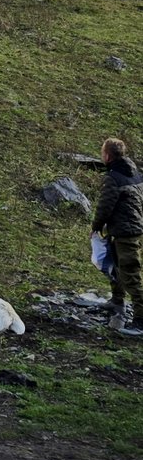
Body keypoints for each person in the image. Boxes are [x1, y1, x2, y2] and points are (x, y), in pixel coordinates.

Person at [92, 137, 143, 334]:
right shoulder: (136, 175)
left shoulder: (112, 178)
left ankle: (140, 320)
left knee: (130, 274)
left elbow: (105, 206)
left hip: (124, 232)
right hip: (131, 229)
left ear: (107, 156)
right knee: (116, 266)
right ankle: (117, 301)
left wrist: (96, 226)